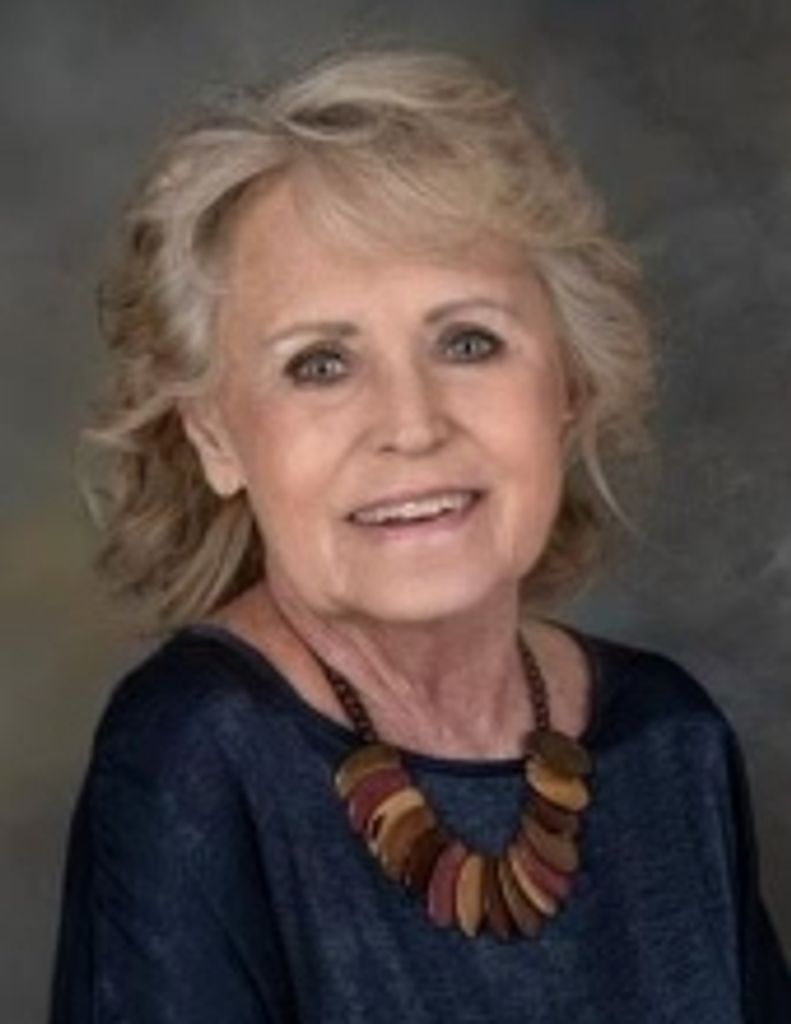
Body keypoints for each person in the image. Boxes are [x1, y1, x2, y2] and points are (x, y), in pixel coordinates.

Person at [49, 49, 790, 1022]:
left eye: (468, 342)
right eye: (319, 364)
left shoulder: (667, 737)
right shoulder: (193, 755)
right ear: (215, 436)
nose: (411, 424)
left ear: (566, 387)